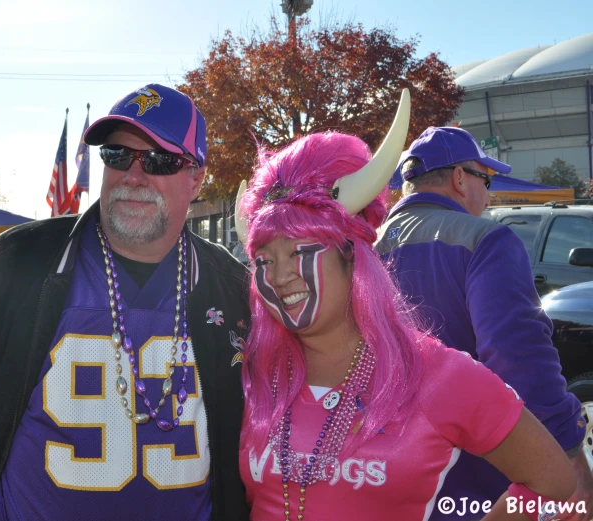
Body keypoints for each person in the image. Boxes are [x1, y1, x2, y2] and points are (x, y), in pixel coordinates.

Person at [0, 83, 252, 521]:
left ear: (196, 180)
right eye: (117, 155)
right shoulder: (16, 263)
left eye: (159, 160)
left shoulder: (235, 289)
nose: (133, 176)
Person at [235, 92, 578, 520]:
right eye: (264, 260)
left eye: (301, 252)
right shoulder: (254, 375)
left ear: (351, 257)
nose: (279, 274)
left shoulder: (438, 374)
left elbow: (556, 486)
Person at [375, 126, 592, 520]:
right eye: (485, 179)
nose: (489, 194)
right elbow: (519, 357)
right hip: (469, 484)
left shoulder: (361, 251)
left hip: (375, 479)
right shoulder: (486, 239)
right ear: (460, 179)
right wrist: (570, 451)